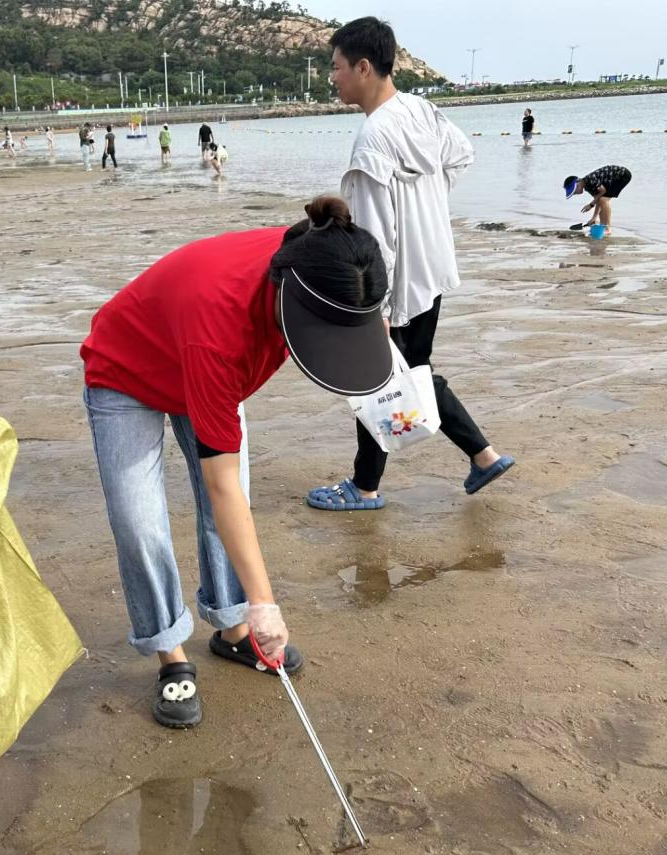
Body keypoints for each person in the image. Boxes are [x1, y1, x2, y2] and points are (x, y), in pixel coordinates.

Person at [80, 196, 395, 728]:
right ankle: (170, 655)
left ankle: (231, 631)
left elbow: (362, 319)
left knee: (223, 510)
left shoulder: (320, 252)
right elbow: (221, 486)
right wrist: (266, 603)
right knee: (142, 523)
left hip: (201, 360)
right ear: (287, 303)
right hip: (127, 368)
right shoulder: (221, 332)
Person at [308, 17, 514, 511]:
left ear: (363, 67)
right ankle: (483, 457)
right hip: (433, 269)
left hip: (397, 285)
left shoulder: (374, 138)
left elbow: (378, 235)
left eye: (336, 68)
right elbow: (460, 156)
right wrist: (429, 207)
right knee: (410, 372)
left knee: (377, 379)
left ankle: (365, 487)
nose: (331, 78)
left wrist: (373, 305)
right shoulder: (420, 110)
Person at [565, 165, 632, 232]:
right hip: (613, 179)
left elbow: (603, 191)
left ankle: (607, 228)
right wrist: (594, 217)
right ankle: (602, 226)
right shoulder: (587, 187)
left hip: (622, 175)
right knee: (601, 200)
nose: (575, 194)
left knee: (603, 200)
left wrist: (591, 205)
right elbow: (598, 201)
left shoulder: (590, 181)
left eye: (574, 192)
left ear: (577, 184)